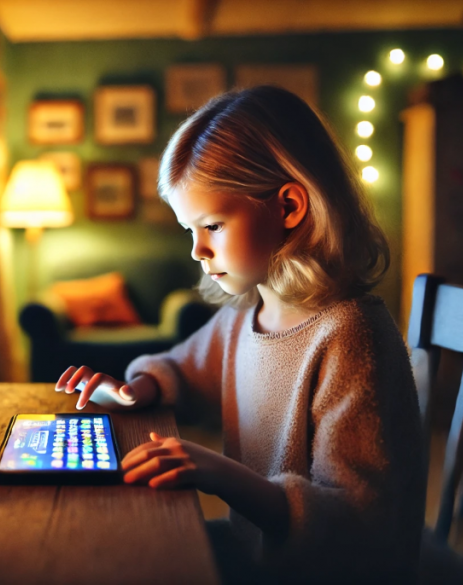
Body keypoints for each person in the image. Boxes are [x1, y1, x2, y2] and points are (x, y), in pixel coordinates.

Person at [54, 86, 426, 583]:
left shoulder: (351, 335)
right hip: (259, 557)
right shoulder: (246, 315)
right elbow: (182, 369)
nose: (197, 251)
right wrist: (133, 390)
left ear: (290, 208)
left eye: (211, 225)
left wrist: (219, 473)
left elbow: (361, 527)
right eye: (190, 230)